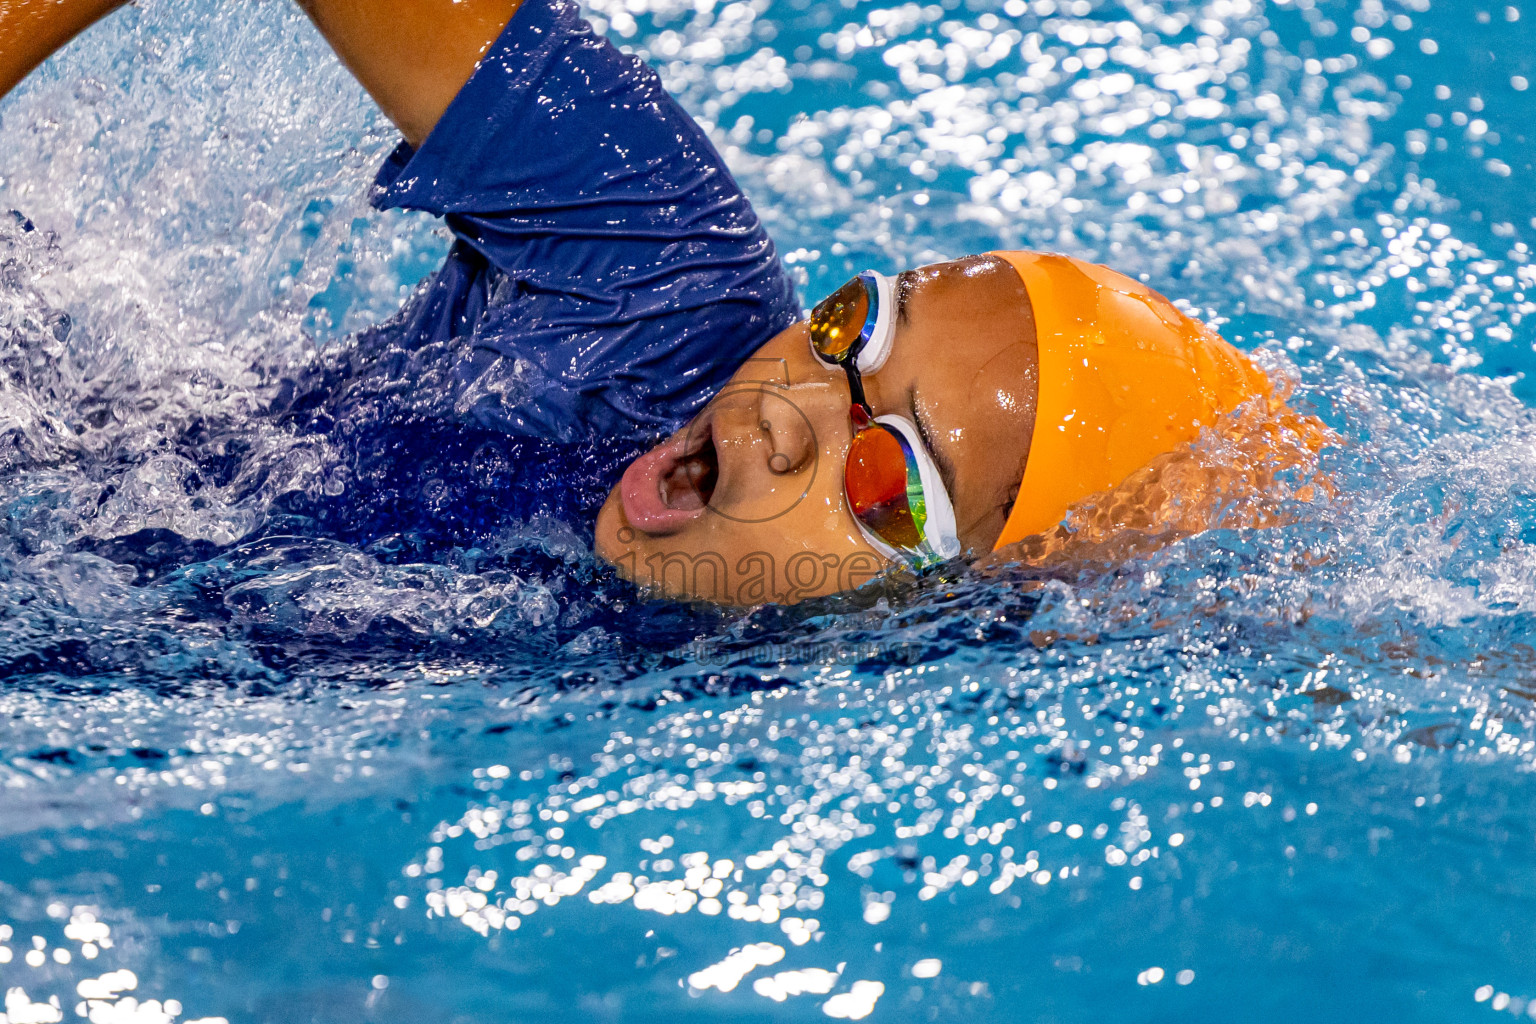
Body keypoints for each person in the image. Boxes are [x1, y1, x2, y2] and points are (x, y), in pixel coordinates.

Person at [0, 0, 1329, 607]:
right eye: (854, 329)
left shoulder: (832, 697)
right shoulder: (663, 281)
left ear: (951, 605)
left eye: (891, 478)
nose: (796, 413)